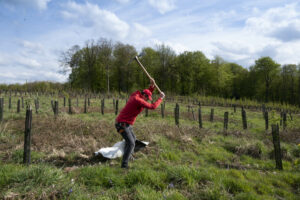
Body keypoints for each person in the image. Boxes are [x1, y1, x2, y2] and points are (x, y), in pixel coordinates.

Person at [115, 78, 165, 169]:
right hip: (122, 124)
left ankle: (128, 157)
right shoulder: (138, 100)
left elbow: (147, 92)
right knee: (131, 143)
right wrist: (160, 98)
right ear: (144, 96)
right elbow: (153, 106)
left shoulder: (137, 95)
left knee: (132, 140)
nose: (147, 100)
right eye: (147, 98)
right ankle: (124, 165)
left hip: (127, 124)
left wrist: (152, 86)